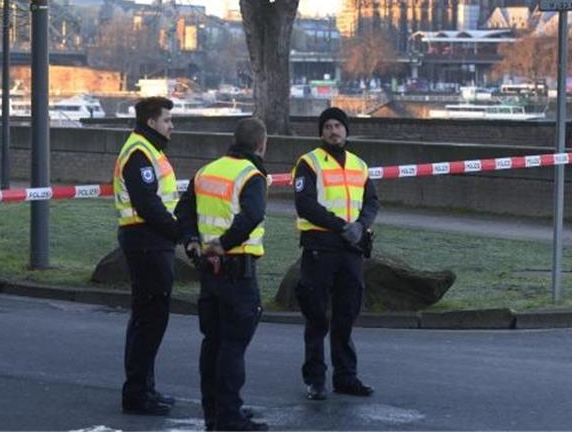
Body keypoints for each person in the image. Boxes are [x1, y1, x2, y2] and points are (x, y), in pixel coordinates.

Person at [176, 117, 270, 432]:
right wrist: (223, 244)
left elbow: (184, 209)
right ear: (261, 145)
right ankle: (230, 417)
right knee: (233, 347)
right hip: (237, 271)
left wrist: (192, 240)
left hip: (209, 274)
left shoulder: (206, 171)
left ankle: (214, 414)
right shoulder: (251, 175)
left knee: (212, 343)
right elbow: (253, 215)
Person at [293, 106, 379, 401]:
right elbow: (305, 205)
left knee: (346, 316)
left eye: (338, 126)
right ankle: (315, 379)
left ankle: (346, 377)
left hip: (351, 250)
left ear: (346, 130)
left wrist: (361, 225)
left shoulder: (359, 165)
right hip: (320, 248)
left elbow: (372, 202)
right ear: (321, 132)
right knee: (317, 317)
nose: (333, 131)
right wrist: (342, 226)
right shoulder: (309, 163)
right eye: (328, 126)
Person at [113, 96, 180, 416]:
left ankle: (144, 389)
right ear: (152, 122)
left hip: (151, 240)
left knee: (149, 319)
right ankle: (138, 394)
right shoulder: (139, 153)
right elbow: (148, 204)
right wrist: (178, 232)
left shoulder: (149, 150)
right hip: (146, 240)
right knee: (149, 320)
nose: (172, 126)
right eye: (167, 120)